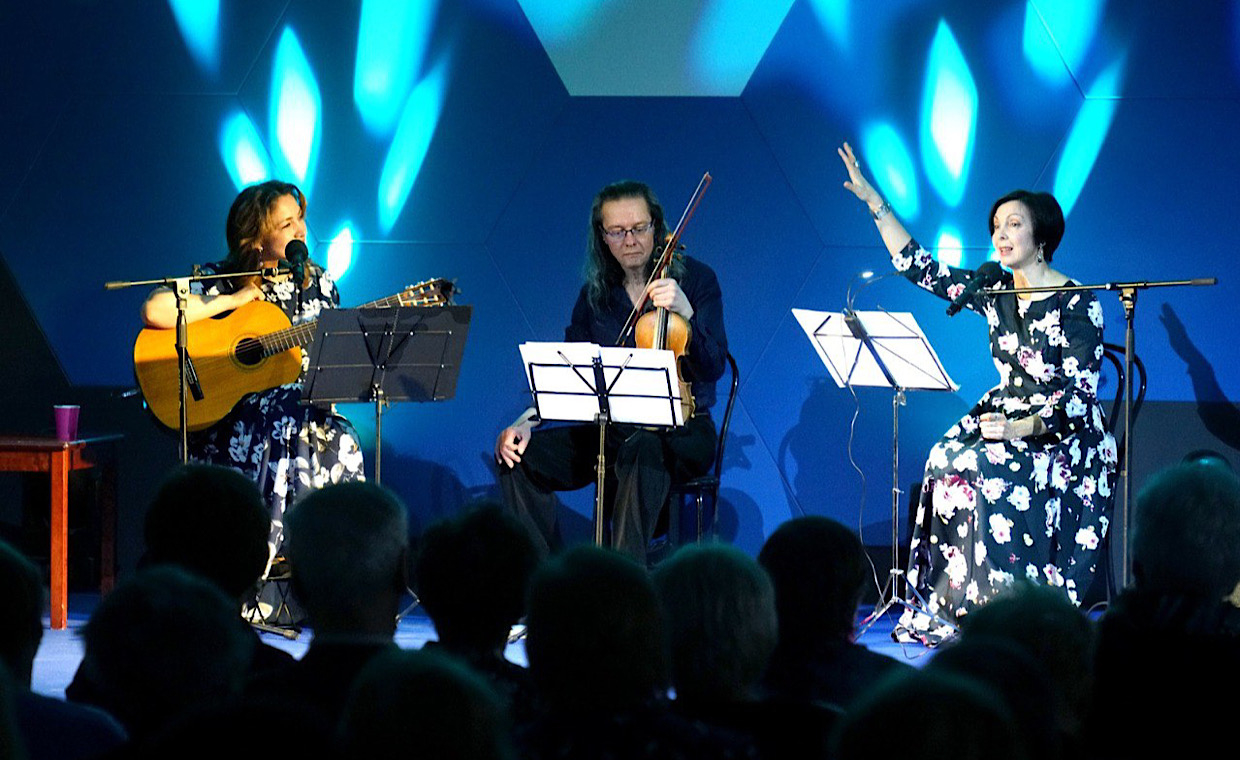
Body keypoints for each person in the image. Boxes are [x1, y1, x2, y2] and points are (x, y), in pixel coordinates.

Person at [837, 142, 1117, 645]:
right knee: (945, 458)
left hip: (1063, 432)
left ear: (1042, 236)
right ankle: (955, 602)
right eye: (996, 226)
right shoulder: (994, 290)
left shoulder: (1077, 301)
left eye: (1014, 224)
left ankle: (1007, 609)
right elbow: (920, 267)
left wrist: (1019, 428)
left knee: (983, 467)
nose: (1001, 234)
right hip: (1006, 413)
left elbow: (1078, 397)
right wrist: (875, 204)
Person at [495, 180, 728, 564]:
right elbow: (567, 375)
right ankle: (547, 581)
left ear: (657, 227)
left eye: (639, 228)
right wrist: (525, 422)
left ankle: (621, 582)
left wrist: (687, 313)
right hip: (611, 429)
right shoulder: (595, 295)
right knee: (519, 455)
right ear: (602, 237)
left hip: (684, 431)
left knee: (642, 448)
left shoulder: (698, 281)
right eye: (617, 232)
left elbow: (714, 365)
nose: (630, 240)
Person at [140, 180, 365, 564]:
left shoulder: (319, 283)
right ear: (257, 239)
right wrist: (231, 300)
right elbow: (154, 310)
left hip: (303, 414)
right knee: (287, 414)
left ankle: (335, 563)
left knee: (342, 434)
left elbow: (331, 361)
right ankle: (262, 559)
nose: (300, 230)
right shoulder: (222, 279)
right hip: (233, 421)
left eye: (300, 219)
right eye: (286, 224)